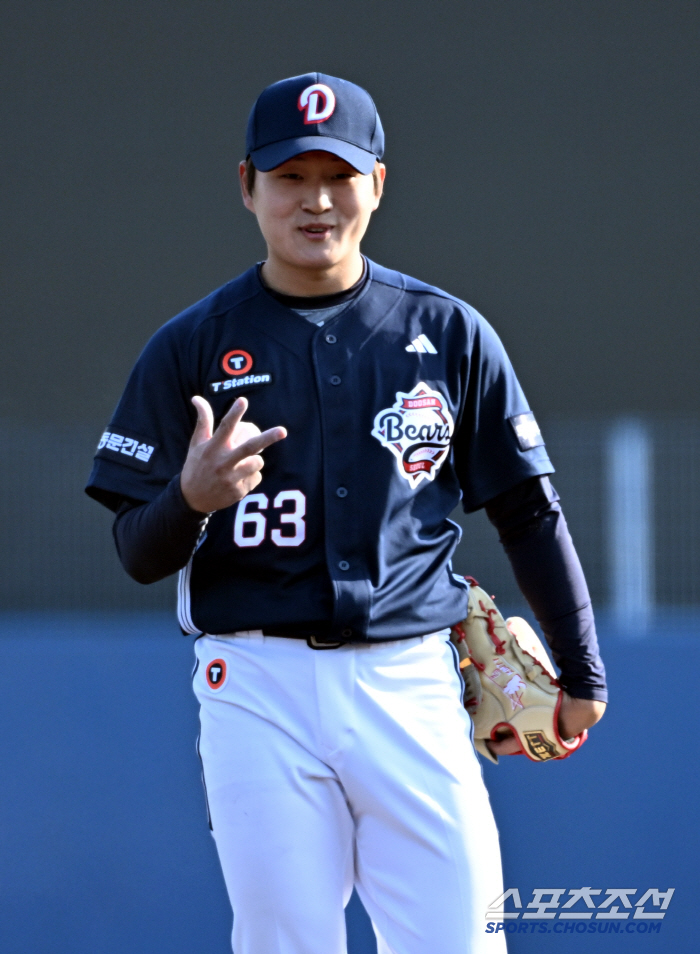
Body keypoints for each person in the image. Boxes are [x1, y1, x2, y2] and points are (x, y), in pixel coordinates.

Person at [86, 72, 607, 954]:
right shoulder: (191, 346)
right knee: (286, 940)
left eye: (338, 175)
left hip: (412, 678)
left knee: (461, 941)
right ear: (247, 186)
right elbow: (137, 551)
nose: (316, 200)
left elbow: (527, 509)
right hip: (256, 687)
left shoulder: (448, 332)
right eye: (290, 177)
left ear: (378, 184)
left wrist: (584, 672)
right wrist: (191, 498)